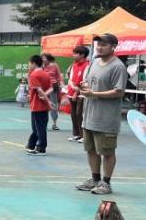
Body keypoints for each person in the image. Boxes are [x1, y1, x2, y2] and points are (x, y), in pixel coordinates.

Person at [75, 33, 128, 195]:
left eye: (104, 44)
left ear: (113, 47)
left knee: (107, 152)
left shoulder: (118, 67)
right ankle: (95, 179)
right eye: (98, 44)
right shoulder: (95, 62)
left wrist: (94, 94)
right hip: (90, 116)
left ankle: (106, 183)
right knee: (91, 150)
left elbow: (119, 92)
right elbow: (90, 84)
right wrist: (83, 87)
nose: (99, 47)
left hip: (106, 119)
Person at [25, 55, 52, 156]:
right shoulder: (46, 74)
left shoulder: (34, 75)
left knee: (38, 128)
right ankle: (31, 144)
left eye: (29, 63)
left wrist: (47, 100)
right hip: (43, 105)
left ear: (34, 63)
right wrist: (47, 99)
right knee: (40, 126)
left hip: (37, 104)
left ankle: (41, 148)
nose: (28, 65)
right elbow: (51, 88)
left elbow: (39, 90)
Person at [65, 46, 91, 142]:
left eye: (75, 53)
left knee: (79, 113)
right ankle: (76, 134)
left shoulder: (87, 65)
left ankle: (83, 135)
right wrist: (73, 88)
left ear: (82, 55)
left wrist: (77, 92)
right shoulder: (74, 65)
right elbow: (70, 79)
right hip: (72, 92)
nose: (73, 55)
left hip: (81, 94)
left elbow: (85, 81)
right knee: (73, 114)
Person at [41, 53, 63, 130]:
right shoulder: (41, 66)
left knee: (53, 105)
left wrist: (61, 84)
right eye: (42, 58)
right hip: (43, 88)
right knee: (43, 106)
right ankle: (43, 124)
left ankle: (54, 124)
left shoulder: (54, 65)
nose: (43, 59)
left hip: (53, 88)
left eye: (44, 58)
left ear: (49, 59)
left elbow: (59, 76)